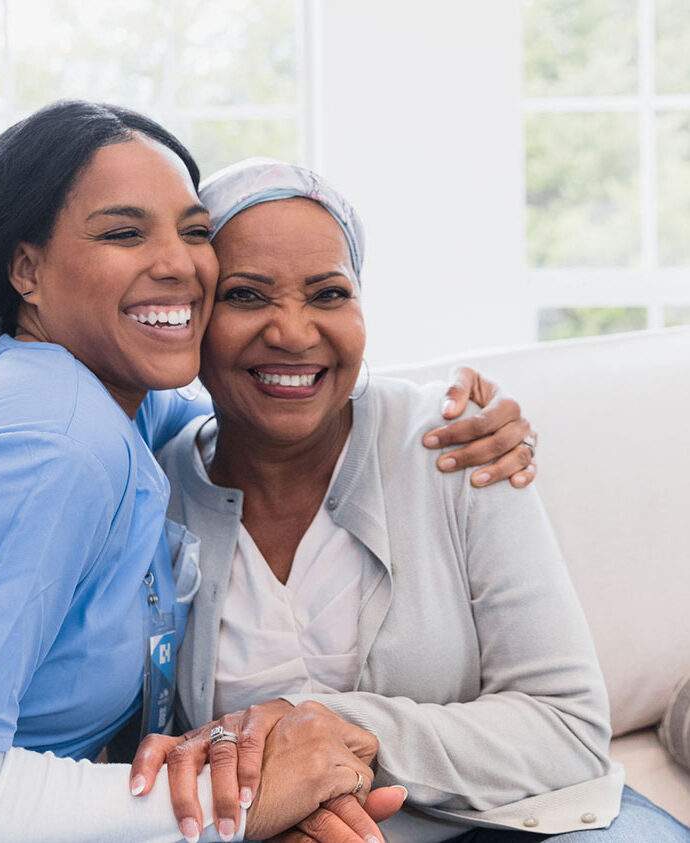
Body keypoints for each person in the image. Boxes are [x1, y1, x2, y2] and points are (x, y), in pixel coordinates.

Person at [0, 104, 533, 843]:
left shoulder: (122, 408)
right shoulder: (48, 440)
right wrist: (248, 803)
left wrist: (443, 419)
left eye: (192, 231)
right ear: (26, 270)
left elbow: (268, 410)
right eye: (123, 233)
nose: (179, 264)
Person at [130, 159, 690, 842]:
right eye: (247, 296)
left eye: (329, 294)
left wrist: (335, 727)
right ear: (194, 314)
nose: (294, 332)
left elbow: (566, 726)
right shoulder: (152, 494)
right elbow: (143, 751)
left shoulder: (455, 442)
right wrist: (275, 809)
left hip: (526, 820)